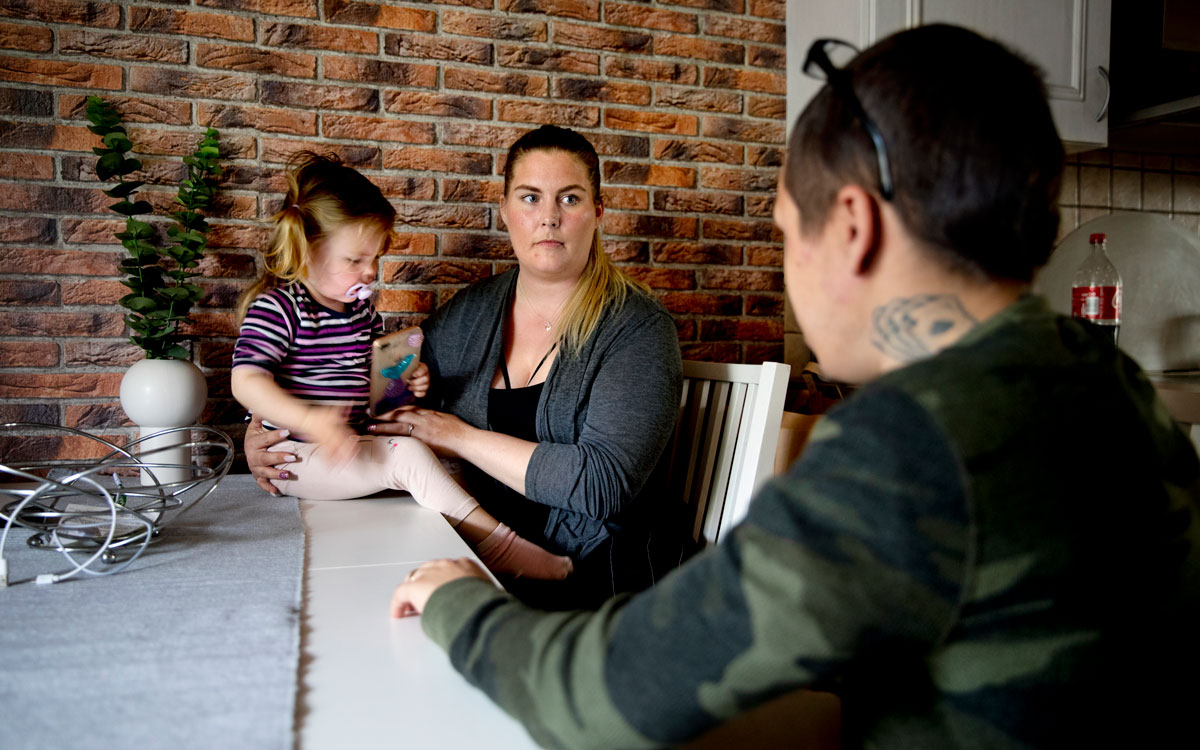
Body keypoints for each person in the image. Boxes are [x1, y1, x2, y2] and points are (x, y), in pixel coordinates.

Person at [387, 24, 1200, 749]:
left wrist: (461, 601)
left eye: (784, 232)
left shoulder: (911, 439)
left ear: (853, 225)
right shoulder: (1106, 379)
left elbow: (602, 702)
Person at [246, 129, 685, 609]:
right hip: (469, 556)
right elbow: (380, 388)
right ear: (505, 211)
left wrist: (456, 435)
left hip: (595, 578)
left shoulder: (637, 328)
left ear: (597, 213)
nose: (549, 218)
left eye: (570, 198)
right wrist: (268, 429)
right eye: (531, 197)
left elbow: (603, 487)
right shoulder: (476, 310)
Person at [232, 152, 571, 581]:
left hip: (342, 450)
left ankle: (481, 552)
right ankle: (499, 546)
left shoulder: (362, 317)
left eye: (375, 257)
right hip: (293, 456)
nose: (369, 271)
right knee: (407, 456)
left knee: (418, 458)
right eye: (354, 260)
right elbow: (246, 381)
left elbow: (378, 402)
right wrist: (312, 421)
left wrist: (407, 381)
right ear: (306, 251)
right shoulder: (279, 309)